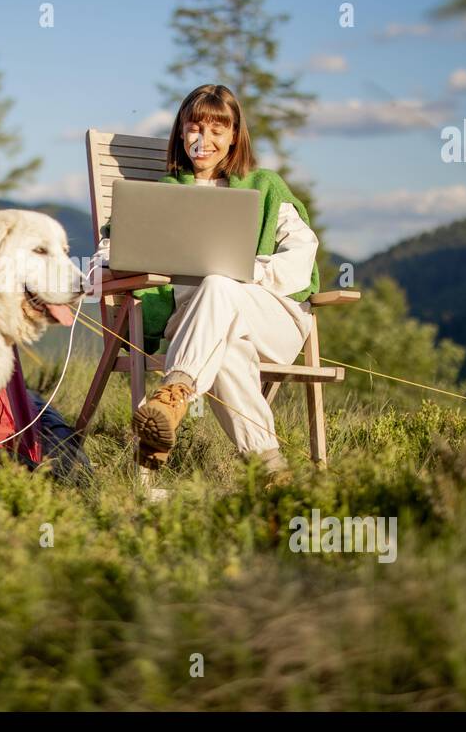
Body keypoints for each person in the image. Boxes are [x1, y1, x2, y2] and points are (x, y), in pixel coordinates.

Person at [95, 84, 320, 478]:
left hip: (271, 318)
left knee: (218, 282)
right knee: (226, 348)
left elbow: (303, 253)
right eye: (195, 127)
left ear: (234, 136)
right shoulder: (161, 196)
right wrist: (88, 274)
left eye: (218, 129)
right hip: (195, 327)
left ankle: (174, 391)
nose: (205, 139)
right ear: (181, 133)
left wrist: (248, 277)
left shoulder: (265, 186)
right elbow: (111, 250)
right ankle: (272, 474)